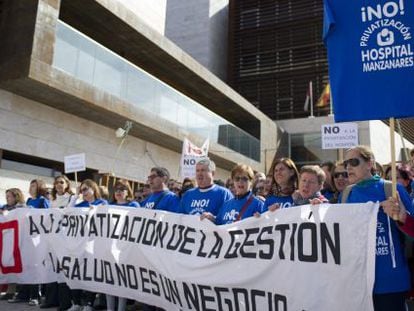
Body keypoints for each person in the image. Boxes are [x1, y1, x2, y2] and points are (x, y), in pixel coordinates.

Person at [342, 145, 414, 311]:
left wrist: (402, 217)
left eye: (353, 162)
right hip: (358, 283)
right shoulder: (346, 194)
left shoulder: (392, 188)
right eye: (346, 163)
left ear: (370, 164)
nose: (348, 167)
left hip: (389, 282)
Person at [41, 176, 75, 310]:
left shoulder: (72, 198)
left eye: (62, 182)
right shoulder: (52, 200)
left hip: (65, 239)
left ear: (67, 184)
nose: (59, 185)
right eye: (56, 183)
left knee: (62, 271)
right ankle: (51, 300)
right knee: (51, 268)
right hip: (52, 238)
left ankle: (65, 303)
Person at [106, 180, 138, 311]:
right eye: (117, 189)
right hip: (109, 247)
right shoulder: (108, 206)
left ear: (128, 191)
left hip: (126, 248)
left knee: (122, 281)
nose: (119, 192)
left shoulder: (134, 205)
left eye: (122, 189)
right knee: (108, 281)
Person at [0, 188, 25, 301]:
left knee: (15, 266)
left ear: (16, 197)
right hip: (6, 241)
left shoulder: (22, 208)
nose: (7, 199)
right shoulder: (4, 208)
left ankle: (14, 291)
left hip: (18, 241)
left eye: (9, 196)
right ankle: (9, 291)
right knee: (7, 264)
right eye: (6, 197)